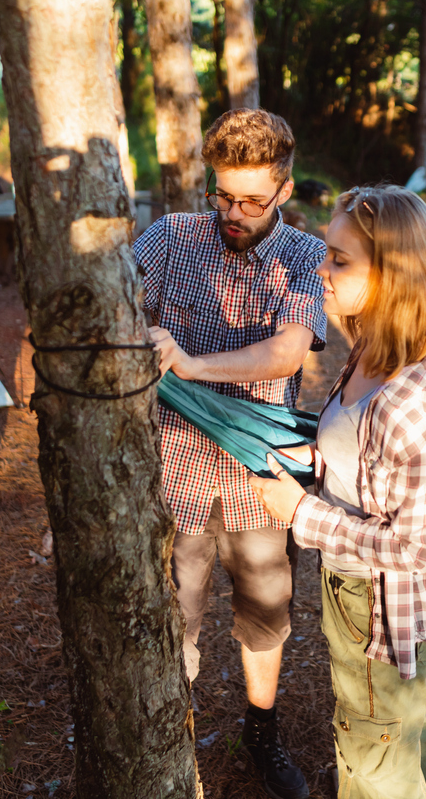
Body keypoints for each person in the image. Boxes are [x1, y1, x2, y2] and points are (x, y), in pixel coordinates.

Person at [249, 185, 426, 799]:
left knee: (372, 761)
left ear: (392, 275)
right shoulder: (369, 350)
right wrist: (314, 459)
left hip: (386, 614)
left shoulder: (415, 407)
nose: (321, 268)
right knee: (410, 729)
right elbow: (362, 457)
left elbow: (417, 549)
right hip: (360, 595)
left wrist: (303, 515)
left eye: (340, 260)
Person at [134, 109, 325, 799]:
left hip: (262, 478)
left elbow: (288, 350)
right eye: (222, 194)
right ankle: (168, 741)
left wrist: (186, 364)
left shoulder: (305, 258)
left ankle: (261, 737)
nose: (232, 212)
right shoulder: (168, 238)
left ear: (284, 190)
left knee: (264, 614)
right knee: (171, 617)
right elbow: (111, 307)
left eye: (250, 200)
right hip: (172, 473)